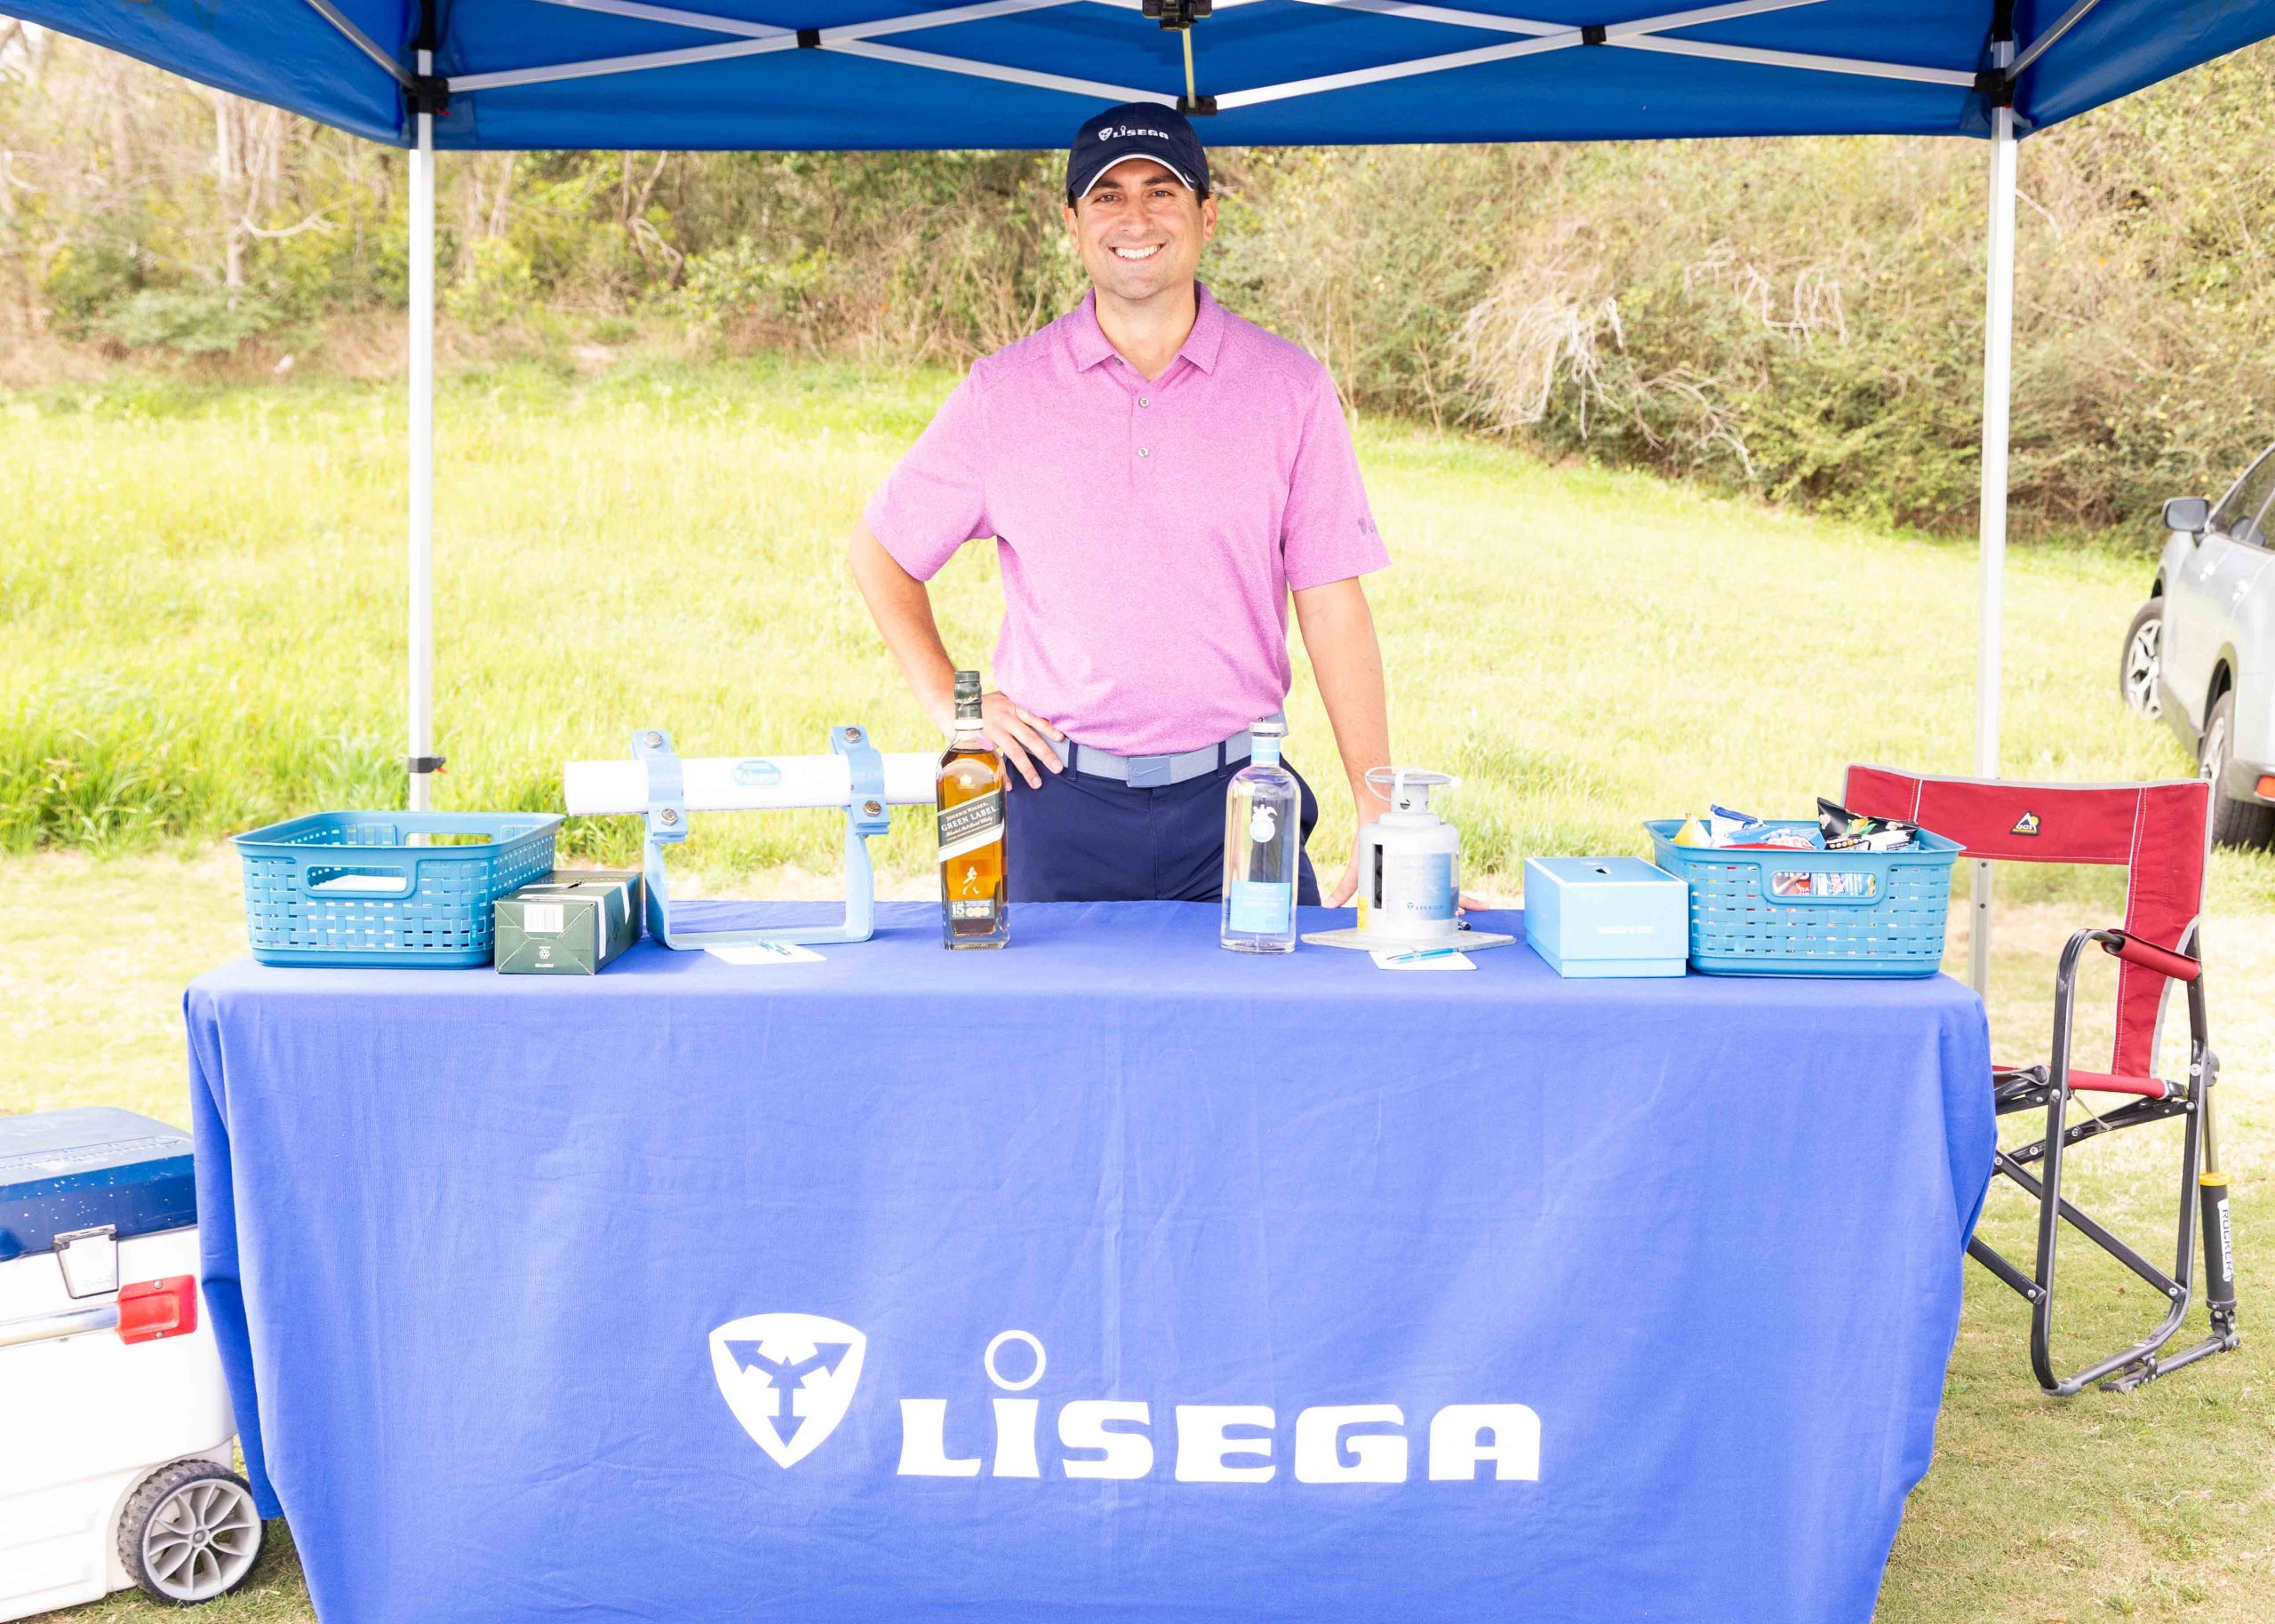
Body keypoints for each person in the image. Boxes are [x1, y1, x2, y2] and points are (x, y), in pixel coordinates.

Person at [850, 103, 1394, 907]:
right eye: (1107, 196)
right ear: (1073, 224)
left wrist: (1377, 806)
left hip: (1240, 803)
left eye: (1161, 192)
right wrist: (950, 704)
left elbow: (1333, 604)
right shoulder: (1003, 392)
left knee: (1278, 993)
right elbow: (881, 550)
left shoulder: (1291, 389)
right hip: (1052, 800)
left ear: (1207, 214)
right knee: (1034, 997)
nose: (1135, 218)